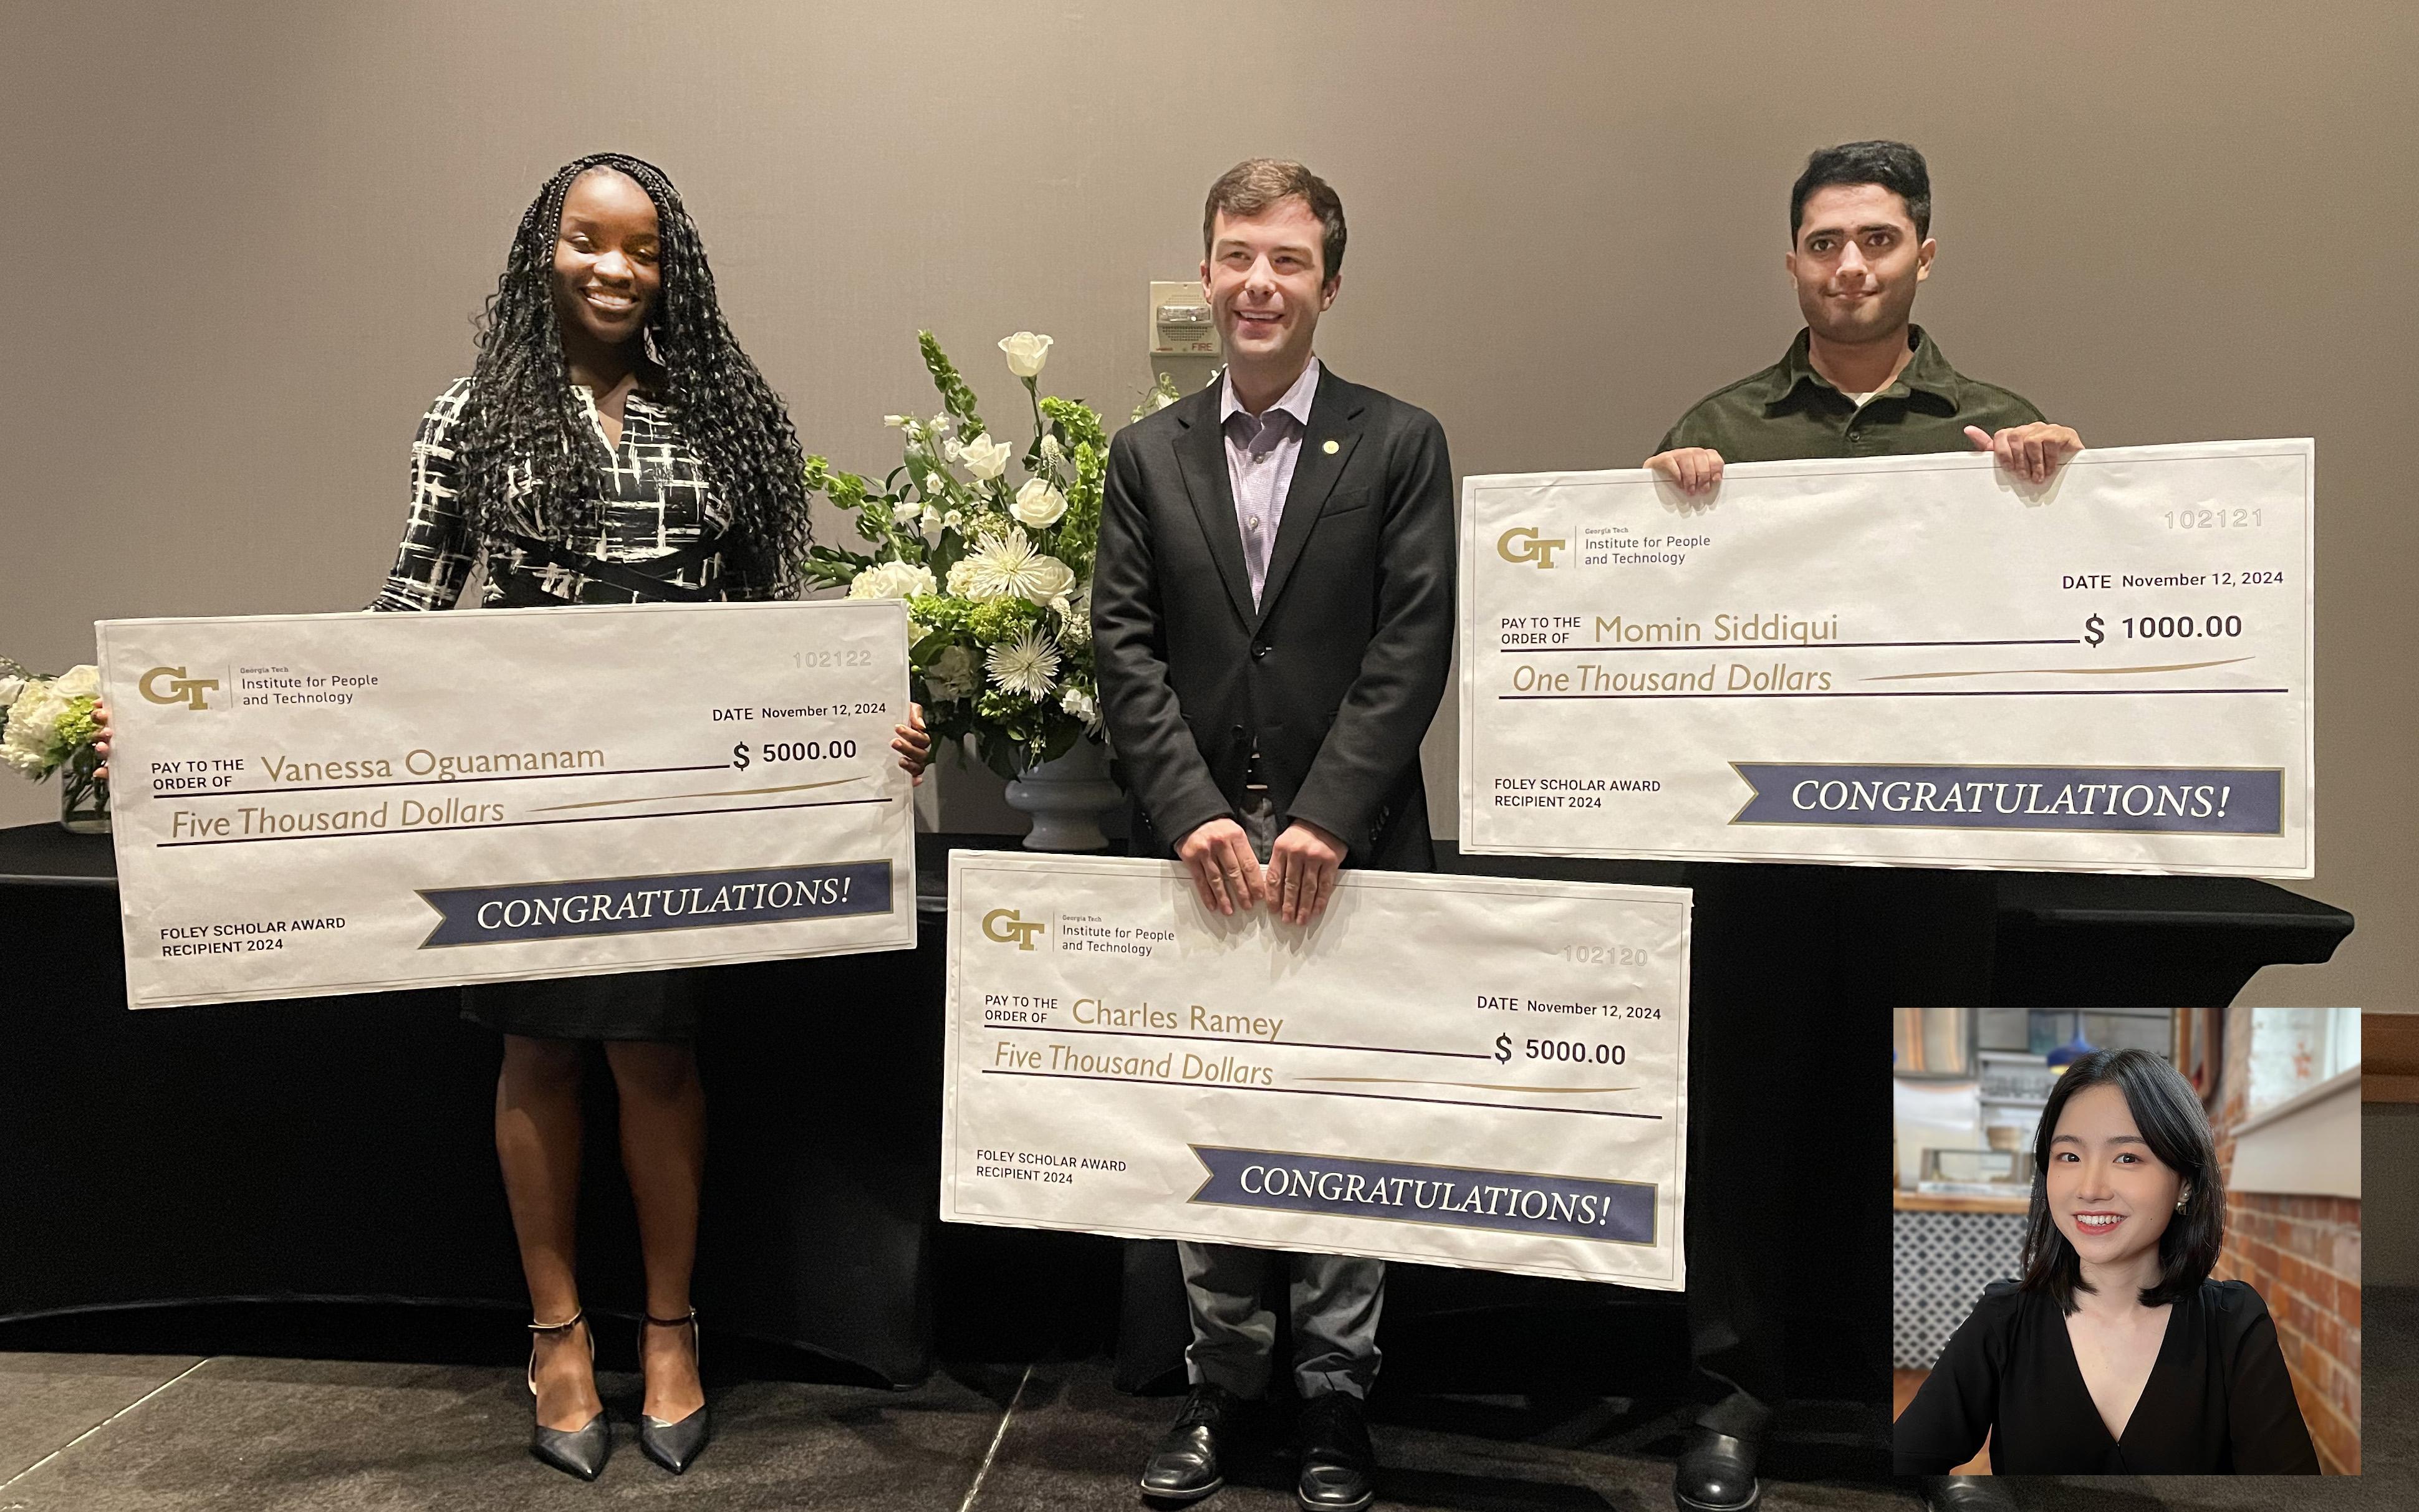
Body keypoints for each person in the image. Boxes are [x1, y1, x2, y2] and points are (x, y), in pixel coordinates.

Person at [105, 153, 932, 1481]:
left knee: (657, 1059)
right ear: (539, 251)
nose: (615, 268)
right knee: (540, 1056)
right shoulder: (472, 415)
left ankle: (670, 1332)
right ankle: (554, 1337)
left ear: (674, 267)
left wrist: (867, 726)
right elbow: (405, 620)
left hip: (676, 804)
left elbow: (788, 630)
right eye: (588, 241)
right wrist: (189, 730)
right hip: (523, 795)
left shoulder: (730, 415)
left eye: (643, 249)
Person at [1637, 141, 2091, 1512]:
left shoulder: (2004, 427)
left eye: (1877, 241)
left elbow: (2067, 636)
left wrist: (2067, 502)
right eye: (1824, 242)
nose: (1849, 266)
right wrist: (1650, 519)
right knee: (1743, 1137)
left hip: (1931, 859)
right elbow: (1649, 637)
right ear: (1790, 261)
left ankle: (1954, 1423)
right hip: (1758, 859)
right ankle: (1725, 1407)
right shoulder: (1718, 424)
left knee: (1945, 1130)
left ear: (1922, 256)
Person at [1093, 158, 1454, 1511]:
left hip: (1347, 855)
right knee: (1210, 1119)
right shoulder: (1147, 456)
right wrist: (1187, 809)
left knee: (1339, 1127)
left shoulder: (1400, 441)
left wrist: (1326, 815)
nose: (1259, 282)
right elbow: (1121, 646)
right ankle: (1221, 1384)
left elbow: (1412, 641)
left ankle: (1334, 1405)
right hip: (1194, 861)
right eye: (1237, 255)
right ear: (1205, 272)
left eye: (1287, 261)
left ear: (1328, 284)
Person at [1895, 1048, 2319, 1475]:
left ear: (2185, 1184)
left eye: (2128, 1158)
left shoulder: (2234, 1325)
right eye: (2070, 1157)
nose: (2090, 1188)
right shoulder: (2003, 1320)